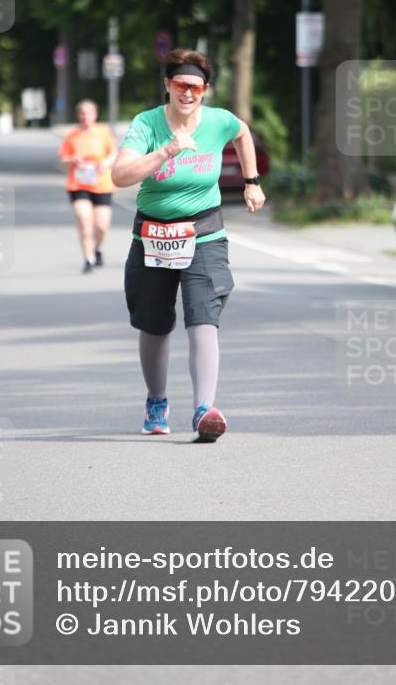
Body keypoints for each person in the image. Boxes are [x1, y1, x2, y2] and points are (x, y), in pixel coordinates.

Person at [111, 48, 265, 443]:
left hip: (204, 234)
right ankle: (156, 402)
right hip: (153, 235)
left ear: (205, 89)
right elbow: (120, 175)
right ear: (167, 84)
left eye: (196, 87)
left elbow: (243, 133)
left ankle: (203, 411)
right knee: (154, 324)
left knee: (203, 318)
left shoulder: (218, 121)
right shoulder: (146, 124)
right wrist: (166, 151)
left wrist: (252, 181)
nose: (188, 93)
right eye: (181, 84)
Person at [58, 100, 118, 273]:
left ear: (95, 115)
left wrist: (105, 163)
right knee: (84, 221)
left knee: (101, 226)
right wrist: (72, 159)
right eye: (82, 113)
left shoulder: (104, 132)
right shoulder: (72, 136)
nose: (85, 117)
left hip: (102, 184)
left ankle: (96, 248)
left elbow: (114, 154)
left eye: (88, 113)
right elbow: (62, 159)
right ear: (78, 115)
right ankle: (88, 259)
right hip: (78, 184)